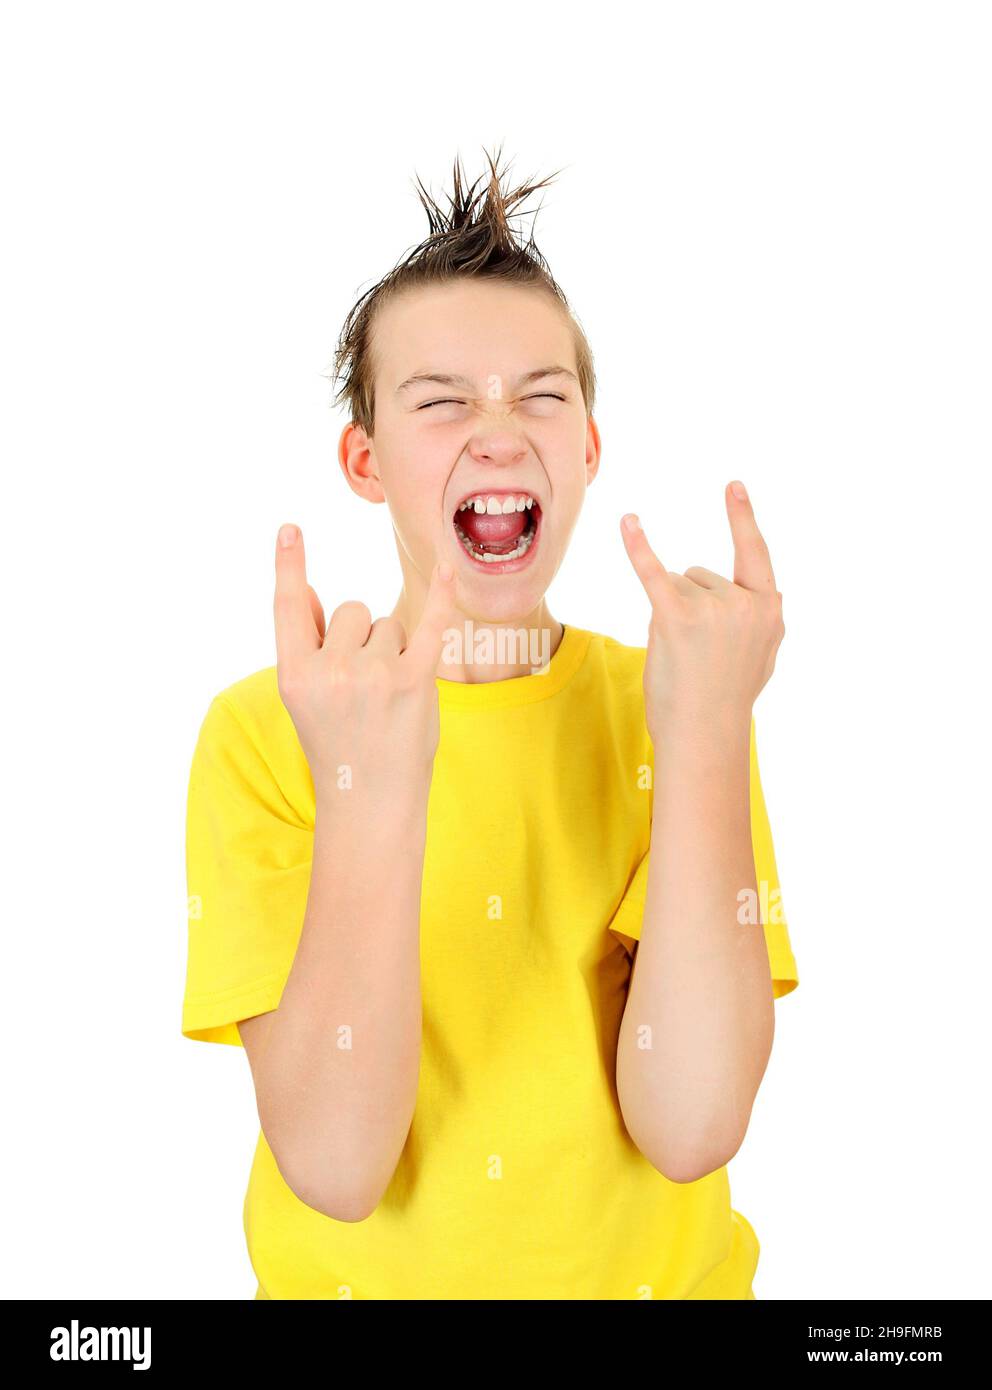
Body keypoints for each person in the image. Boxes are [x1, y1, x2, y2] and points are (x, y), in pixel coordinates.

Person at [182, 147, 799, 1300]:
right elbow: (334, 1163)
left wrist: (708, 735)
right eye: (442, 400)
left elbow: (691, 1123)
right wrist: (367, 792)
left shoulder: (676, 704)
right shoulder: (267, 732)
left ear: (587, 449)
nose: (499, 429)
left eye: (541, 394)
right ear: (365, 462)